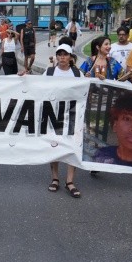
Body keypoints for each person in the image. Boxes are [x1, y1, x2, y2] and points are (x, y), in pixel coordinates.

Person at [44, 44, 82, 197]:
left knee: (72, 146)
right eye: (59, 54)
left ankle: (70, 181)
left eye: (65, 54)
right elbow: (37, 88)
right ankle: (55, 178)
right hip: (53, 114)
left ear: (70, 57)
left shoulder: (77, 73)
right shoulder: (50, 72)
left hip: (72, 114)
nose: (62, 57)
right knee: (54, 145)